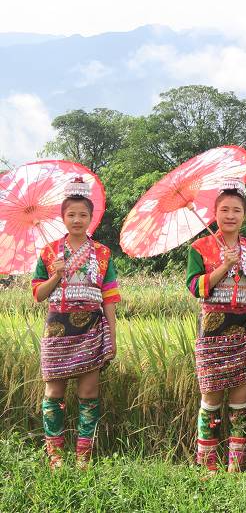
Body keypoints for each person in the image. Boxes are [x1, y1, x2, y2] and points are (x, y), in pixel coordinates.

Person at [186, 179, 246, 472]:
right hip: (212, 333)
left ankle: (236, 466)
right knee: (211, 396)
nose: (230, 215)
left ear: (244, 215)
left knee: (241, 397)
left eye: (236, 210)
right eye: (224, 209)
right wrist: (223, 266)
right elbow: (194, 288)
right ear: (214, 213)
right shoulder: (200, 248)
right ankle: (207, 466)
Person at [32, 176, 120, 469]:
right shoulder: (48, 252)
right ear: (63, 217)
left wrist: (113, 337)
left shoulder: (104, 253)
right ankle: (55, 456)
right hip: (58, 330)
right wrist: (56, 275)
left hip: (92, 330)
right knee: (54, 391)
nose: (77, 219)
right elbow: (38, 295)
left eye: (83, 214)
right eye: (71, 214)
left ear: (91, 218)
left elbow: (109, 299)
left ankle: (84, 456)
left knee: (88, 393)